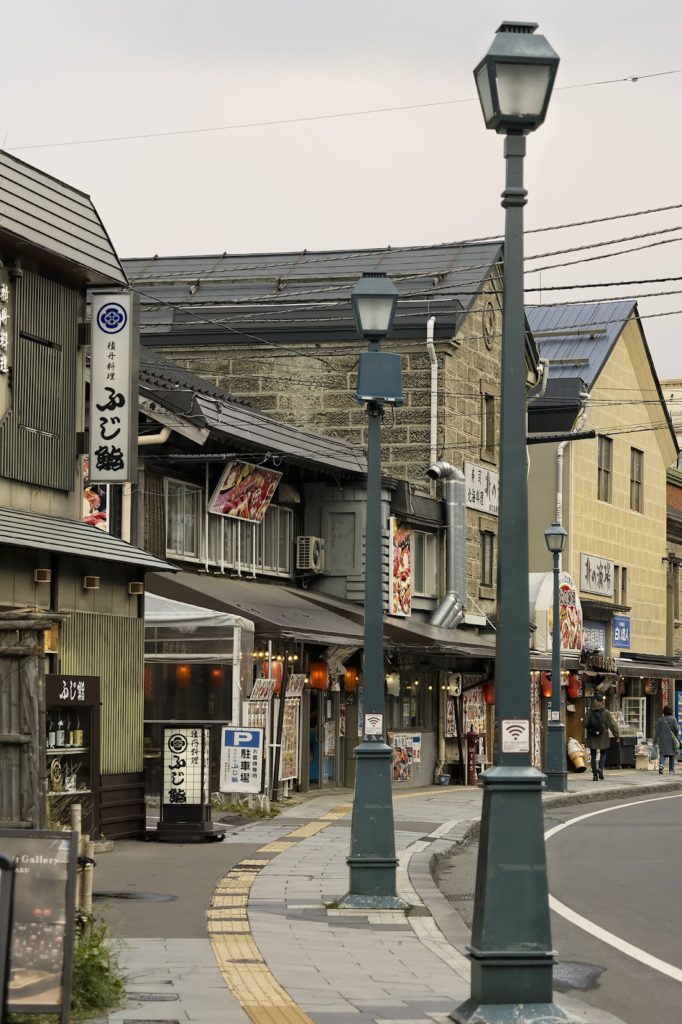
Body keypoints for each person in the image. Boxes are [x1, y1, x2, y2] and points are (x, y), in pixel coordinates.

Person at [585, 693, 620, 781]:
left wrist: (591, 727)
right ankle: (600, 769)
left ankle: (594, 775)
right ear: (602, 701)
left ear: (595, 700)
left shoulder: (589, 711)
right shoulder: (606, 712)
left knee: (593, 755)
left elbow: (584, 724)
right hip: (603, 735)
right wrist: (617, 736)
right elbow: (612, 725)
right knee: (603, 753)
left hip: (592, 735)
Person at [654, 705, 680, 775]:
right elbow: (676, 730)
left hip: (662, 739)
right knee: (672, 754)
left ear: (664, 712)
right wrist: (677, 737)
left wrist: (655, 742)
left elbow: (657, 732)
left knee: (662, 754)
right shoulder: (673, 719)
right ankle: (671, 770)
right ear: (671, 712)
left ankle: (661, 766)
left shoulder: (660, 720)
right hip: (671, 739)